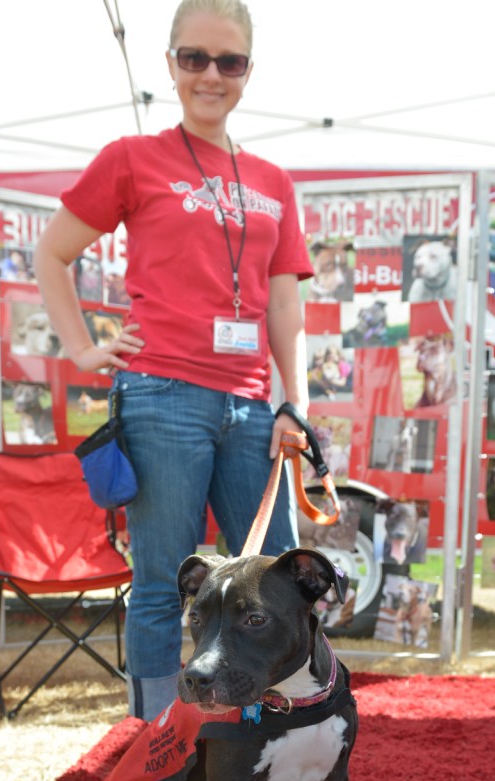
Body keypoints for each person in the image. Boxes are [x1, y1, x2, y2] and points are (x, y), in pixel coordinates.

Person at [34, 0, 313, 720]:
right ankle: (158, 740)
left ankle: (272, 736)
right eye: (194, 58)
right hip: (162, 396)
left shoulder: (274, 180)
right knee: (162, 580)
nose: (211, 75)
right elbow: (52, 253)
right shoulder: (131, 158)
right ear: (170, 64)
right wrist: (82, 347)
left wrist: (295, 403)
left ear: (248, 70)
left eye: (229, 61)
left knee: (277, 577)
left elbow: (284, 305)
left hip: (252, 407)